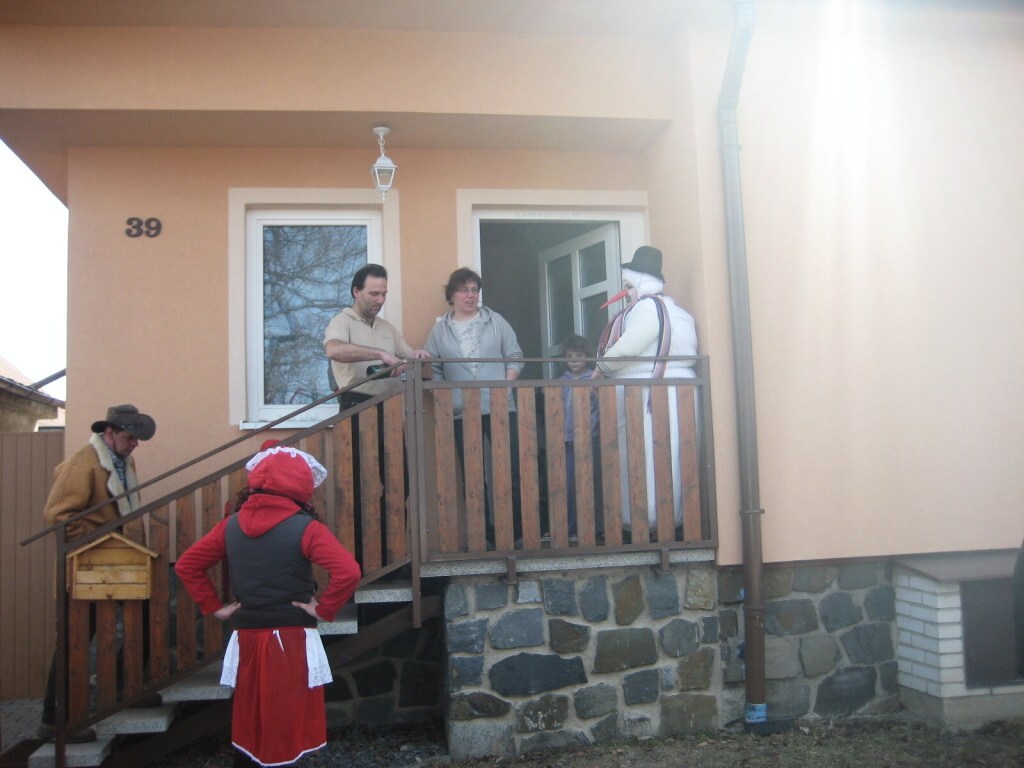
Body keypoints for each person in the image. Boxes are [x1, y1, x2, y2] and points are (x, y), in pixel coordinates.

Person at [174, 443, 361, 768]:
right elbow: (349, 572)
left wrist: (214, 607)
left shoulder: (230, 525)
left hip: (247, 636)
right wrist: (323, 609)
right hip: (290, 637)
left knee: (253, 713)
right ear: (301, 484)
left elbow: (187, 565)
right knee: (284, 718)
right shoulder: (306, 528)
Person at [39, 404, 158, 743]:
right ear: (109, 433)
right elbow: (58, 516)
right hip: (87, 565)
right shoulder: (83, 464)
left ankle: (123, 689)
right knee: (75, 638)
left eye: (136, 438)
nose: (135, 443)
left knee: (143, 618)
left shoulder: (122, 461)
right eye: (129, 437)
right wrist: (97, 543)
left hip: (115, 563)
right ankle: (53, 721)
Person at [596, 246, 698, 536]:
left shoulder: (648, 308)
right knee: (666, 460)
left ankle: (647, 524)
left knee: (647, 460)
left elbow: (630, 346)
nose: (626, 293)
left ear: (639, 281)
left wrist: (600, 368)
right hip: (671, 395)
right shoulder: (675, 309)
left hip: (650, 397)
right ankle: (665, 521)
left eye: (628, 286)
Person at [424, 267, 524, 545]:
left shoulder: (496, 321)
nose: (470, 296)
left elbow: (515, 356)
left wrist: (505, 387)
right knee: (473, 476)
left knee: (510, 469)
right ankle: (484, 537)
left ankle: (515, 533)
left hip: (501, 409)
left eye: (474, 290)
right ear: (452, 295)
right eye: (464, 290)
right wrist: (446, 399)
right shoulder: (440, 331)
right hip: (462, 413)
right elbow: (434, 370)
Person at [324, 263, 431, 410]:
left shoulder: (386, 327)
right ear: (356, 292)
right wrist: (380, 354)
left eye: (384, 294)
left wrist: (419, 355)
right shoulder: (342, 321)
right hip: (357, 406)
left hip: (391, 406)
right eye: (374, 294)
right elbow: (333, 350)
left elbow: (411, 359)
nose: (380, 300)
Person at [559, 335, 601, 542]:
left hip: (588, 439)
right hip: (566, 441)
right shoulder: (561, 382)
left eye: (579, 356)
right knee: (567, 485)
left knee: (587, 483)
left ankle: (591, 528)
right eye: (570, 356)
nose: (574, 360)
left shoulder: (593, 380)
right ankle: (570, 528)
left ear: (587, 357)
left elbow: (600, 409)